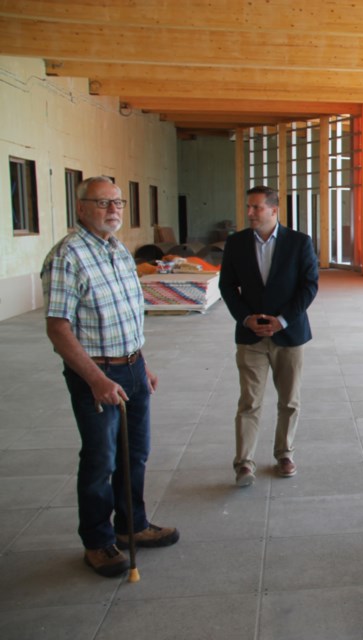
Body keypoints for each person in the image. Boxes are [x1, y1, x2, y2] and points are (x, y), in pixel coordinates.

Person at [42, 176, 179, 578]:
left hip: (132, 366)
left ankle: (131, 525)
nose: (113, 210)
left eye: (117, 202)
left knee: (135, 453)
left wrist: (142, 362)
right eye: (103, 203)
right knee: (101, 457)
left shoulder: (118, 250)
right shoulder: (68, 256)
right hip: (97, 373)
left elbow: (126, 314)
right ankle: (98, 541)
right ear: (81, 208)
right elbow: (58, 327)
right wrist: (96, 380)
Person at [219, 185, 319, 487]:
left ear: (274, 210)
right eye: (248, 207)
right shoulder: (236, 244)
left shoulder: (299, 243)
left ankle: (284, 454)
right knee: (249, 402)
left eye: (256, 208)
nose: (249, 213)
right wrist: (246, 318)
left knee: (289, 400)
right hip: (250, 335)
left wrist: (283, 320)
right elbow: (227, 286)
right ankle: (244, 464)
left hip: (289, 334)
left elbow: (309, 285)